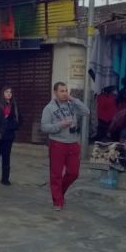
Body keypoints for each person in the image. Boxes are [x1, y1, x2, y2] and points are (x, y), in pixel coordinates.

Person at [40, 81, 90, 211]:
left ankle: (59, 193)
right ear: (55, 92)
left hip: (73, 143)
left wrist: (73, 99)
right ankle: (57, 201)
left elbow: (86, 111)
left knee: (74, 173)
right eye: (61, 91)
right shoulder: (49, 108)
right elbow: (44, 127)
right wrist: (60, 125)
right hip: (57, 143)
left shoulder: (72, 104)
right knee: (56, 174)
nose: (64, 93)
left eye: (66, 91)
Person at [0, 86, 19, 186]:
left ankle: (5, 178)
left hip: (8, 135)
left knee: (6, 157)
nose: (9, 94)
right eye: (6, 92)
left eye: (10, 92)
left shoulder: (14, 105)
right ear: (3, 93)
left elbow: (18, 119)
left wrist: (13, 126)